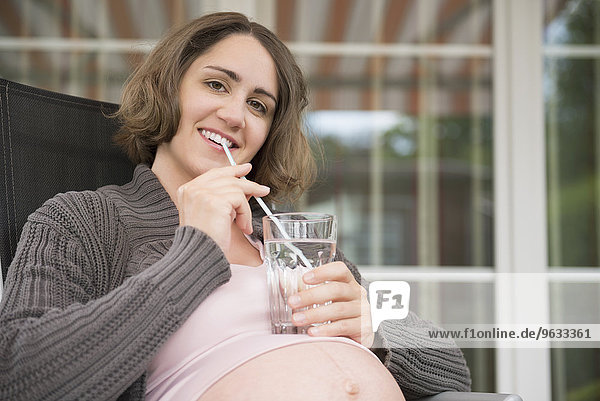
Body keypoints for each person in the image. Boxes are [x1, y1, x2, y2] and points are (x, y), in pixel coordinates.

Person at [0, 12, 470, 401]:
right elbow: (21, 375)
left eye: (259, 105)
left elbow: (454, 374)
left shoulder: (290, 241)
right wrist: (194, 253)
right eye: (217, 85)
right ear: (169, 88)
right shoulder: (82, 220)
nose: (235, 115)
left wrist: (377, 327)